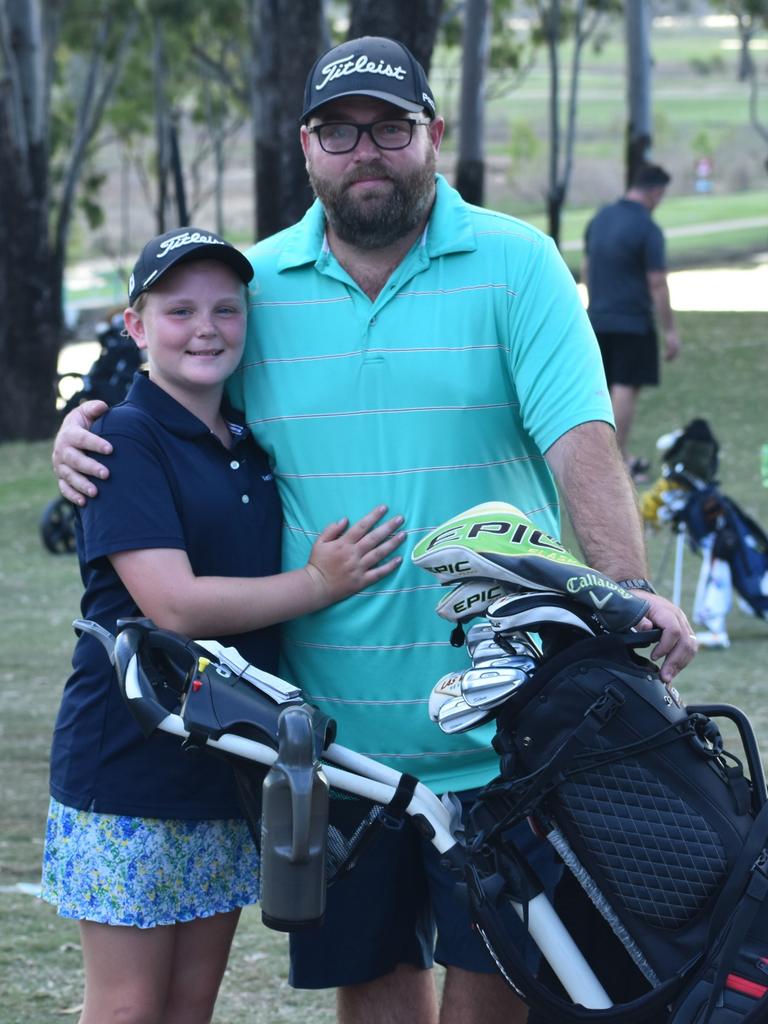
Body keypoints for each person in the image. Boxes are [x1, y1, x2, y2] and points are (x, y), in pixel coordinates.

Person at [53, 37, 697, 1024]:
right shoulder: (256, 285)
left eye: (391, 128)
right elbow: (175, 383)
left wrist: (623, 595)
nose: (368, 151)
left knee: (500, 996)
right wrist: (83, 426)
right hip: (329, 742)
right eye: (341, 130)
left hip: (508, 726)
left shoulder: (516, 263)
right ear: (306, 147)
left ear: (431, 136)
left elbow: (582, 440)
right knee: (376, 992)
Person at [42, 227, 405, 1024]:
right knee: (130, 1008)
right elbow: (171, 604)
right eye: (178, 311)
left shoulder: (245, 437)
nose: (205, 328)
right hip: (129, 764)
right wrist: (317, 583)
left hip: (225, 761)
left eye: (225, 309)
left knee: (188, 1008)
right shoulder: (123, 438)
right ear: (135, 325)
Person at [583, 163, 681, 481]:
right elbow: (657, 283)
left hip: (597, 318)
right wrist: (669, 330)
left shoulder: (600, 219)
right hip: (633, 322)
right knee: (626, 387)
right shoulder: (647, 228)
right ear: (654, 191)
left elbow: (587, 266)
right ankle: (615, 461)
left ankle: (612, 455)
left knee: (603, 389)